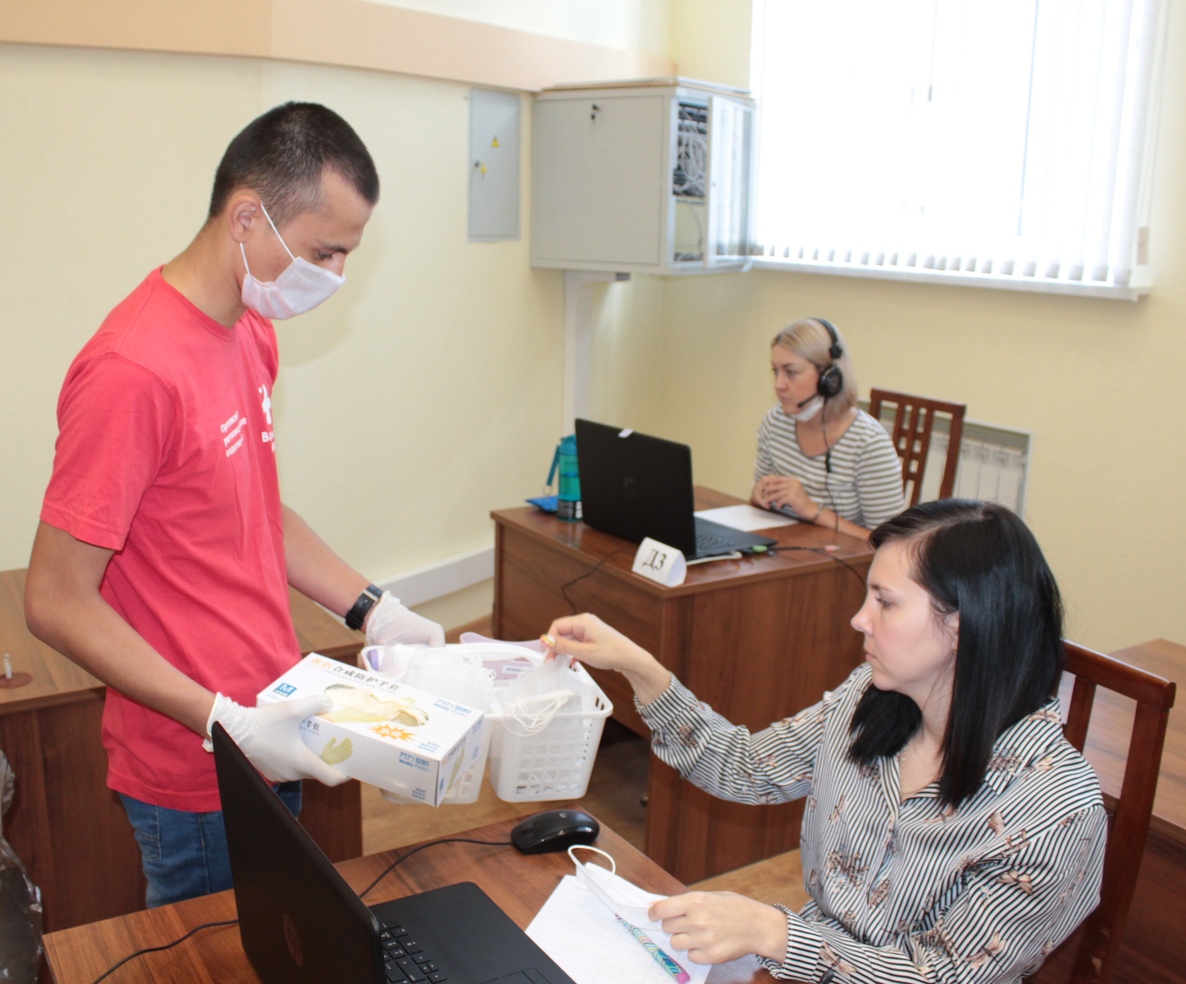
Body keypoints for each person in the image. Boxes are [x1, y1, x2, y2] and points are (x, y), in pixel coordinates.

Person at [24, 102, 445, 907]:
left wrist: (374, 608)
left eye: (347, 254)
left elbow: (252, 505)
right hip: (196, 760)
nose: (336, 276)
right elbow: (54, 598)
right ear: (247, 218)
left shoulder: (250, 329)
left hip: (272, 721)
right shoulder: (132, 371)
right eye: (324, 252)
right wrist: (223, 719)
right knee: (213, 955)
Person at [544, 499, 1106, 983]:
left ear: (961, 625)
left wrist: (777, 933)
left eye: (885, 602)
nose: (859, 619)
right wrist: (638, 666)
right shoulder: (871, 697)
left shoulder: (1054, 812)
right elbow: (749, 768)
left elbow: (939, 976)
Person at [752, 317, 905, 536]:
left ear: (829, 378)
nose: (779, 385)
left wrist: (812, 510)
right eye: (775, 371)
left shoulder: (868, 442)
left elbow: (889, 542)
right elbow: (757, 504)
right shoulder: (775, 421)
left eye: (791, 372)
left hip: (840, 556)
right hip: (786, 545)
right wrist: (760, 494)